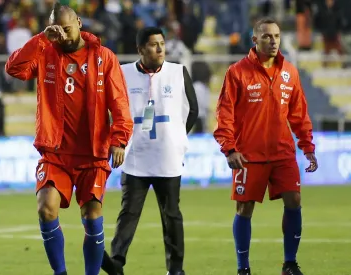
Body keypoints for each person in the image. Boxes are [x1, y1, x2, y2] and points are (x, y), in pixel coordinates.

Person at [5, 3, 133, 275]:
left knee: (92, 216)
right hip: (55, 152)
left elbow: (119, 102)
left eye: (66, 28)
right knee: (46, 209)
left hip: (92, 152)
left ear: (79, 23)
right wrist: (41, 39)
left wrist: (119, 139)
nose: (62, 35)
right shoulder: (45, 52)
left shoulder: (104, 57)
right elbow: (14, 69)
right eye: (56, 29)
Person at [213, 18, 318, 275]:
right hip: (248, 155)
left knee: (294, 200)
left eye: (277, 36)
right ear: (255, 40)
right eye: (267, 36)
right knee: (244, 207)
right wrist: (229, 148)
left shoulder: (289, 72)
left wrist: (308, 147)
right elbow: (224, 114)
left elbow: (299, 113)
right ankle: (243, 268)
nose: (273, 41)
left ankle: (289, 264)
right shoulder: (237, 72)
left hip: (283, 153)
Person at [101, 27, 198, 275]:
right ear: (140, 49)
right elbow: (110, 110)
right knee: (129, 212)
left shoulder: (178, 72)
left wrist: (175, 137)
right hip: (134, 156)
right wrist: (118, 142)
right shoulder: (122, 75)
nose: (160, 49)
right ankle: (117, 263)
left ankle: (176, 269)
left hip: (168, 157)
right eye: (154, 45)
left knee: (172, 214)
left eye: (162, 44)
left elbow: (193, 110)